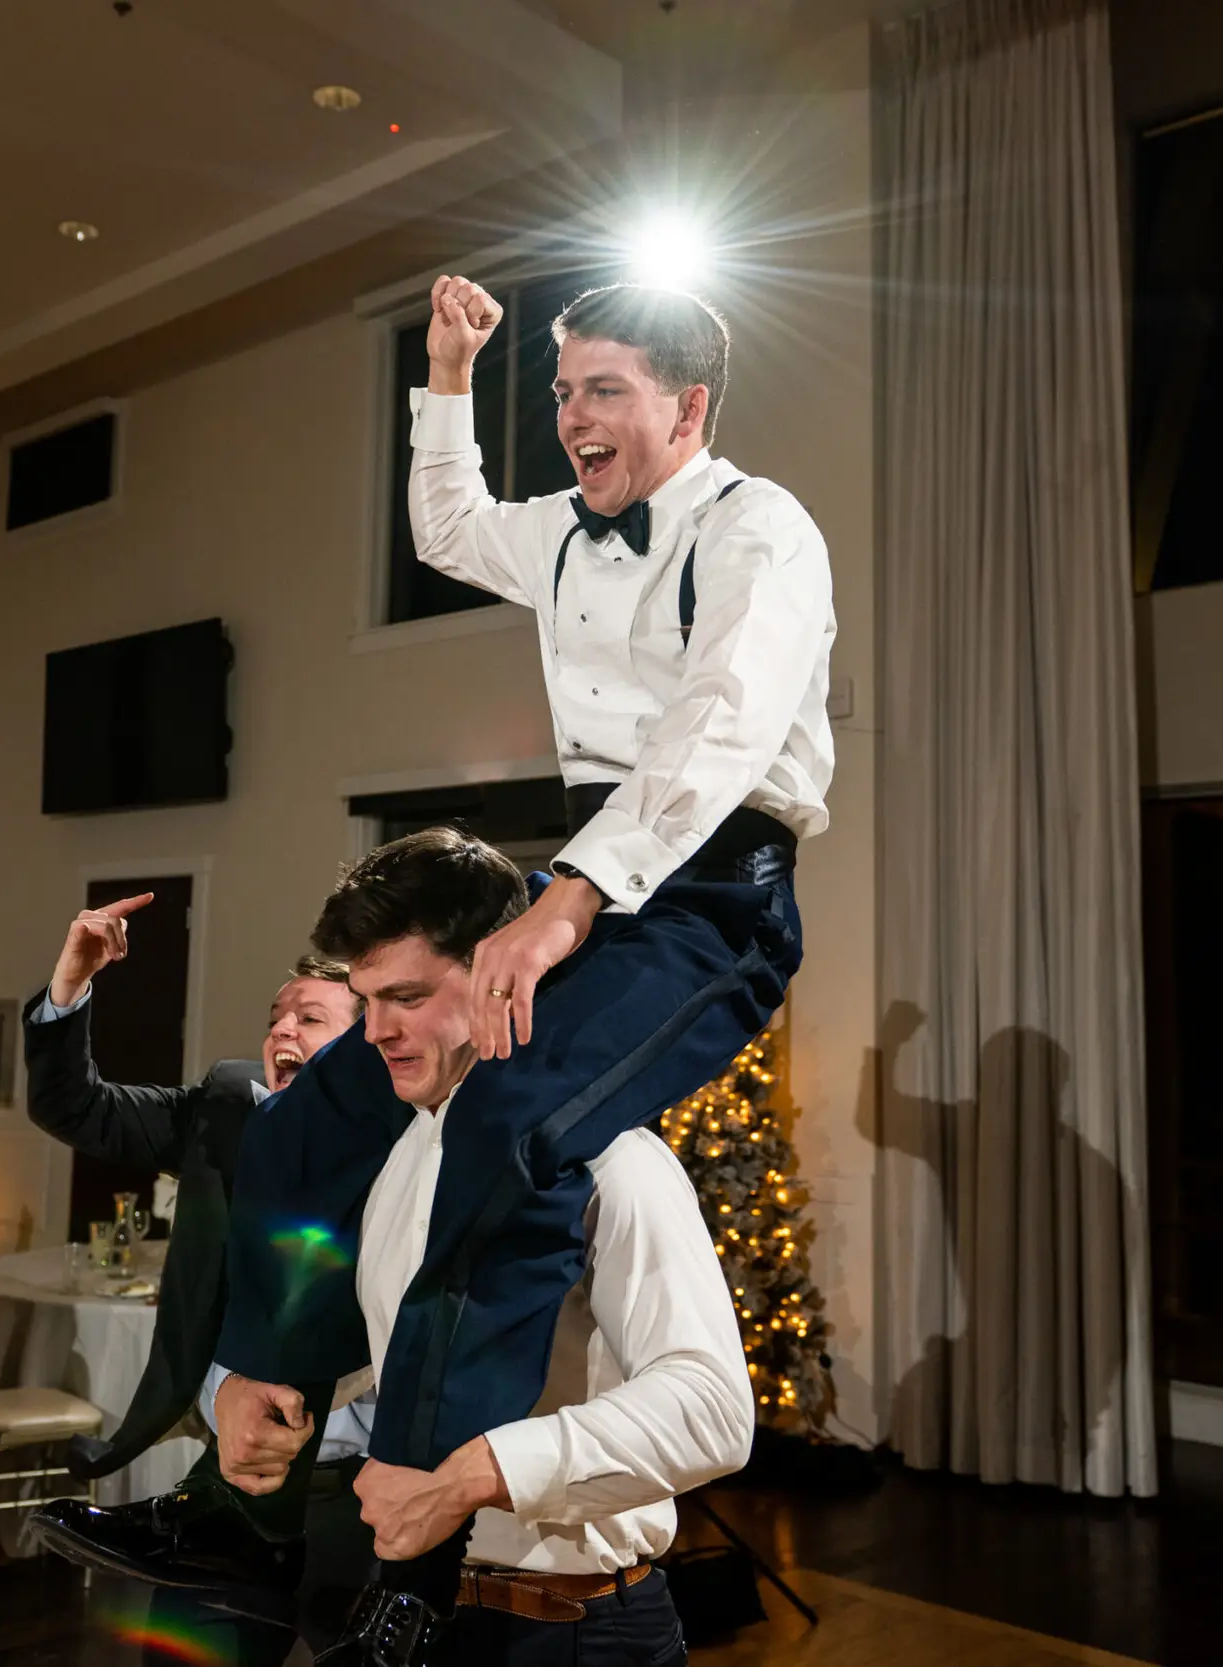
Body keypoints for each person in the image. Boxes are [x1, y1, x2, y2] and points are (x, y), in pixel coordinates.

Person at [213, 278, 829, 1653]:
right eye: (560, 394)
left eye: (602, 389)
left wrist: (564, 898)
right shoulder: (556, 533)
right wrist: (447, 376)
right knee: (310, 1117)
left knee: (504, 1112)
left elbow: (721, 728)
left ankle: (411, 1568)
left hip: (710, 891)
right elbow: (442, 526)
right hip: (603, 873)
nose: (571, 419)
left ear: (689, 405)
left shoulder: (758, 527)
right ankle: (244, 1465)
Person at [224, 831, 749, 1664]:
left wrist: (478, 1473)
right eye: (368, 1001)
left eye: (408, 997)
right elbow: (411, 1344)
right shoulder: (410, 1151)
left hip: (579, 1630)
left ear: (503, 975)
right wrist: (273, 1391)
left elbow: (714, 1411)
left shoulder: (619, 1162)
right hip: (422, 1619)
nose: (377, 1034)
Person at [22, 893, 372, 1662]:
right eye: (277, 1015)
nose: (282, 1027)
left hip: (369, 1496)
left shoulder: (419, 1141)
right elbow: (73, 1106)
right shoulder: (230, 1106)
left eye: (311, 1018)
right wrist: (71, 983)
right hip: (230, 1490)